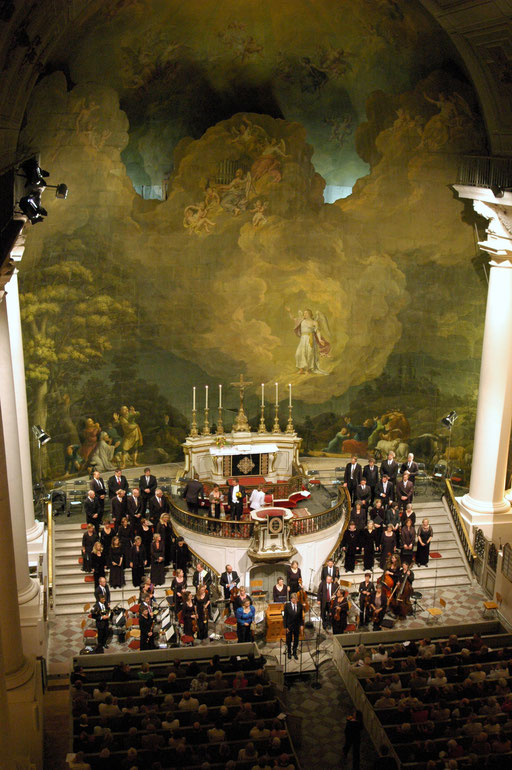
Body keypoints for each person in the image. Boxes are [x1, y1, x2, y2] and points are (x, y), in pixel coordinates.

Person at [283, 592, 304, 659]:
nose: (296, 600)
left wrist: (301, 625)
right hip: (289, 626)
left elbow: (301, 616)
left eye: (297, 599)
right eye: (295, 599)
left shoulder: (299, 605)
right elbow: (285, 617)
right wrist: (285, 627)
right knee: (288, 640)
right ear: (291, 599)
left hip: (296, 626)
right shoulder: (287, 605)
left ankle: (294, 652)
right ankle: (289, 652)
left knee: (296, 639)